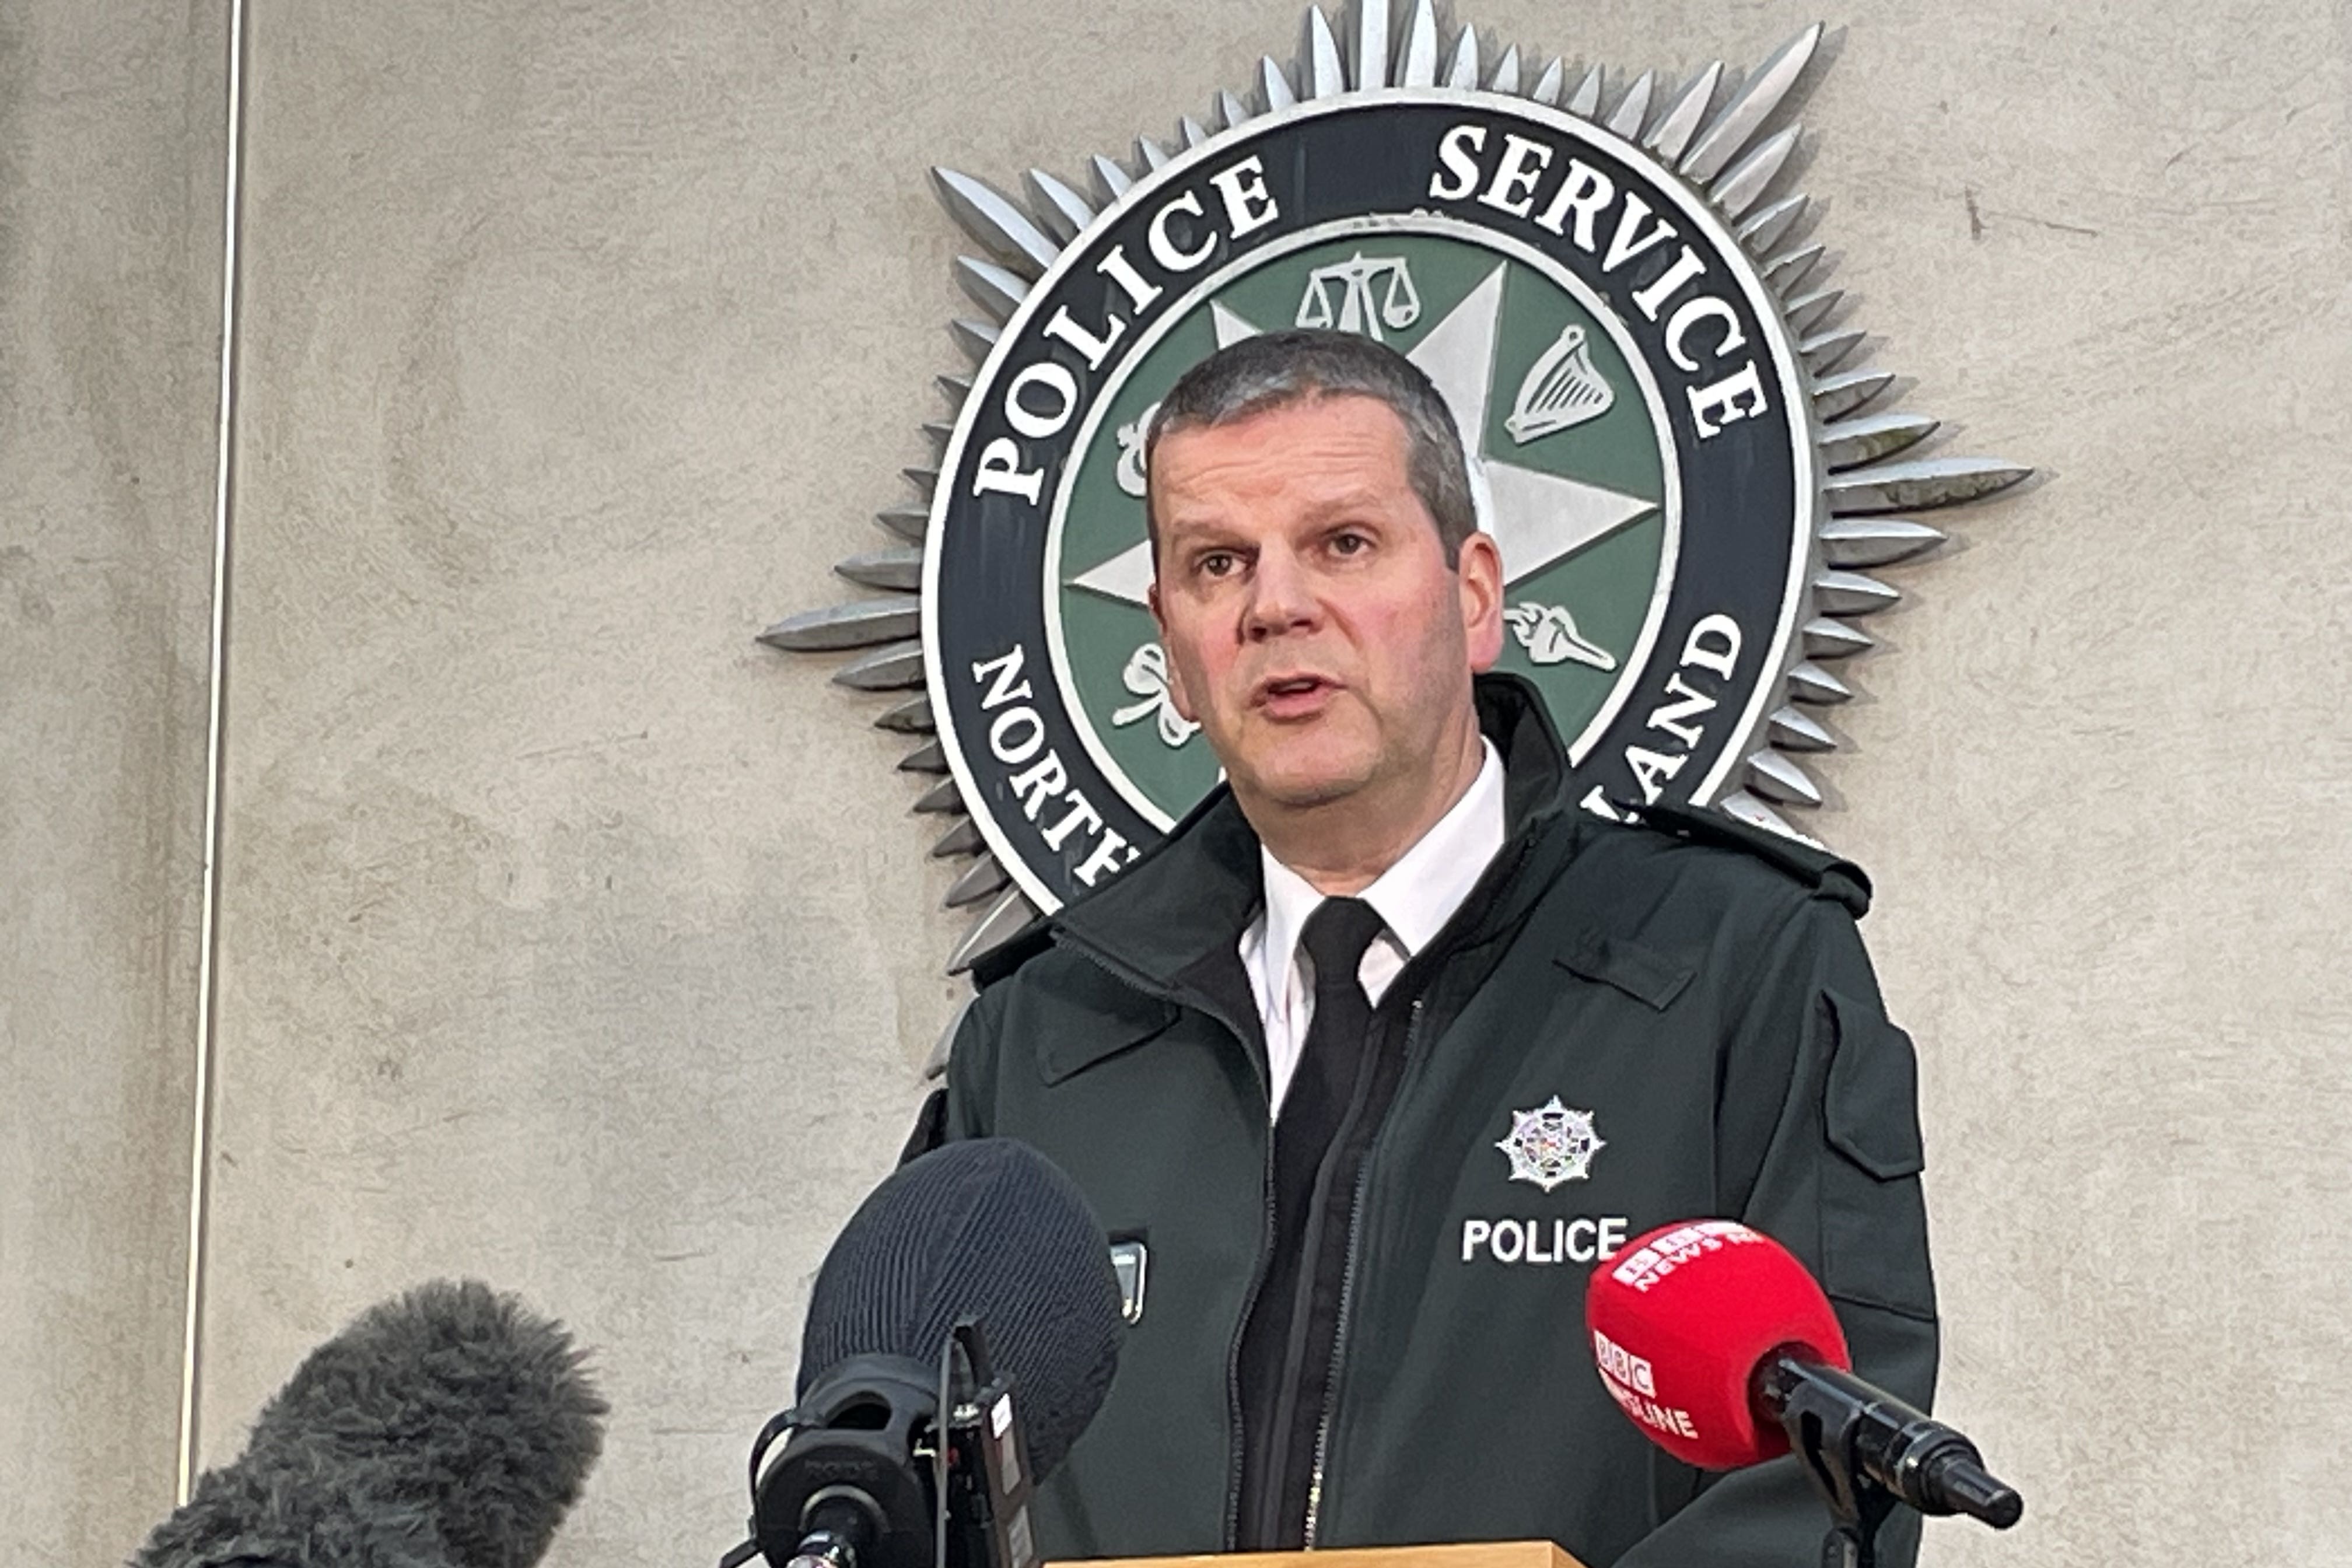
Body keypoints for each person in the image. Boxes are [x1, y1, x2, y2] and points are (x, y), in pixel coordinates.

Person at [912, 329, 1938, 1567]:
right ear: (1172, 648)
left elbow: (1818, 1493)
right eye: (1217, 563)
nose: (1276, 605)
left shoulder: (1734, 961)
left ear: (1474, 594)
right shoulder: (1041, 1038)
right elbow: (924, 1488)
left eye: (1343, 544)